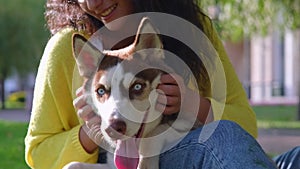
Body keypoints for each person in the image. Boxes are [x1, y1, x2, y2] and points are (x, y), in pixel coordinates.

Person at [24, 0, 277, 168]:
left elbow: (246, 128)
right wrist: (92, 133)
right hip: (118, 162)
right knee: (220, 137)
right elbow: (38, 153)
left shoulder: (193, 32)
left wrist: (192, 104)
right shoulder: (66, 50)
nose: (92, 3)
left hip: (195, 154)